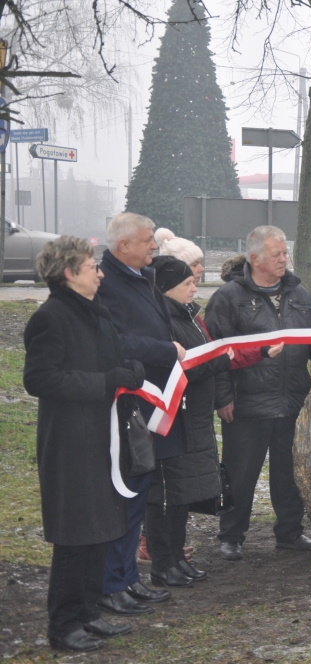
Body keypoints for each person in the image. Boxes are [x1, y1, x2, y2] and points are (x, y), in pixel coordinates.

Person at [24, 237, 139, 652]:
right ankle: (64, 623)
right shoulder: (51, 317)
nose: (101, 273)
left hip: (103, 437)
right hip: (71, 442)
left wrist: (128, 371)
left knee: (101, 529)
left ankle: (90, 612)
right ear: (70, 273)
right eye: (93, 267)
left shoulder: (96, 312)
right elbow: (39, 378)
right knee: (75, 536)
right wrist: (105, 383)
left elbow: (109, 360)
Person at [205, 226, 311, 561]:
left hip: (292, 399)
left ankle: (290, 531)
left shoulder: (300, 293)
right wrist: (222, 397)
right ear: (254, 258)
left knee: (289, 471)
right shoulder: (228, 298)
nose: (283, 259)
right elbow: (215, 352)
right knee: (240, 472)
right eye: (276, 254)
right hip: (247, 401)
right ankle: (231, 534)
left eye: (284, 253)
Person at [97, 213, 184, 616]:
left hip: (149, 401)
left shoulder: (139, 276)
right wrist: (168, 351)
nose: (155, 246)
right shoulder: (108, 284)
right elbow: (119, 341)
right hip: (127, 401)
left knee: (138, 490)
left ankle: (128, 578)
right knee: (125, 493)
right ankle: (112, 582)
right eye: (148, 240)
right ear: (124, 246)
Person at [144, 256, 234, 588]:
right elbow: (183, 367)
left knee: (182, 495)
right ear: (166, 288)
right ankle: (163, 562)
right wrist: (220, 361)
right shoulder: (162, 321)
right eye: (187, 284)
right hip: (173, 419)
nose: (194, 288)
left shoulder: (190, 316)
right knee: (166, 495)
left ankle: (177, 557)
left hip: (193, 417)